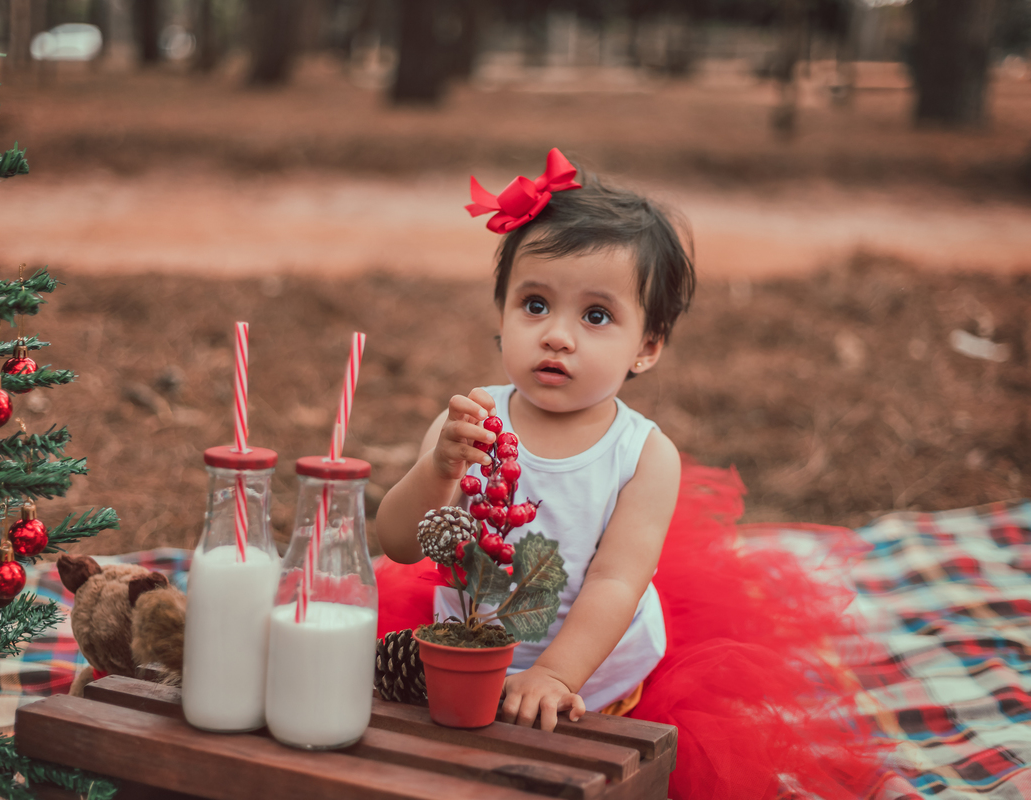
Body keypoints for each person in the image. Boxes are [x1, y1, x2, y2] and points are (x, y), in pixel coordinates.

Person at [374, 149, 881, 800]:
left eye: (595, 316)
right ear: (500, 314)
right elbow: (398, 542)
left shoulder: (642, 455)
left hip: (592, 678)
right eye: (534, 305)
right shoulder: (472, 418)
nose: (558, 336)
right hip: (465, 657)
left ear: (647, 345)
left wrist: (557, 676)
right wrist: (438, 471)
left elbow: (616, 580)